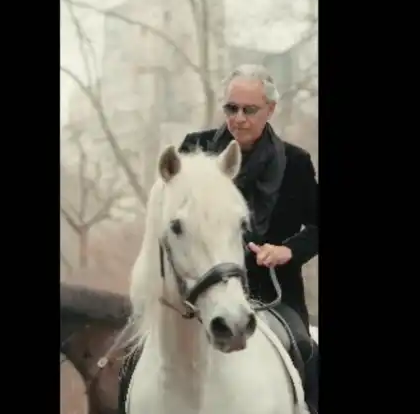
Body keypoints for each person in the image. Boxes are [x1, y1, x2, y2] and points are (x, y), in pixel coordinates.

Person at [119, 64, 320, 413]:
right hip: (196, 292)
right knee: (131, 361)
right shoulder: (194, 149)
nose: (238, 118)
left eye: (249, 110)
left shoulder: (296, 162)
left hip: (274, 293)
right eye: (231, 108)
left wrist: (288, 250)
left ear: (270, 110)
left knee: (304, 348)